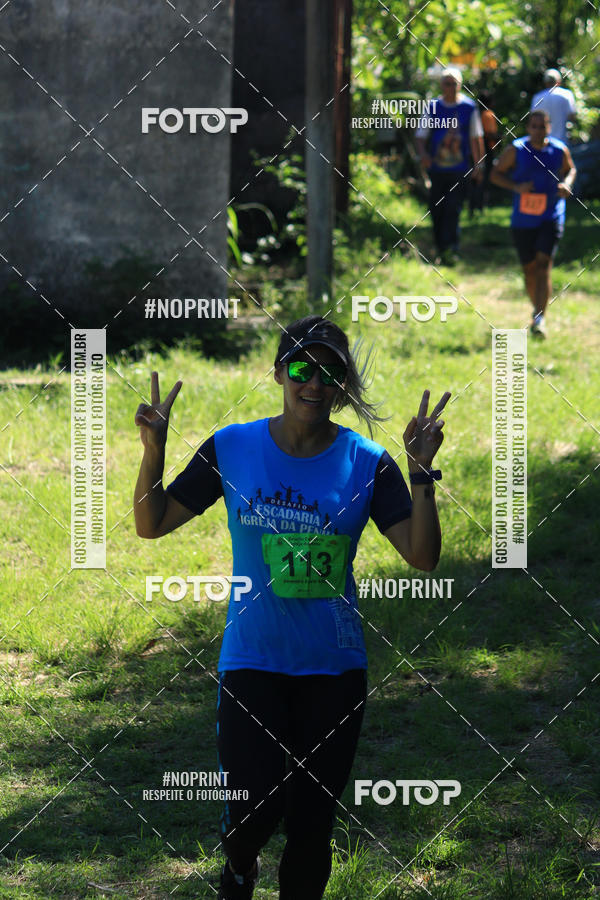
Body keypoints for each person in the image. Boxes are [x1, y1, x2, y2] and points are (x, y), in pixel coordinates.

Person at [133, 315, 450, 900]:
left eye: (332, 373)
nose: (315, 383)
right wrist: (153, 451)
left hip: (333, 668)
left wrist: (421, 472)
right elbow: (151, 524)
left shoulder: (367, 461)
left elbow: (423, 556)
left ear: (344, 386)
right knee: (254, 812)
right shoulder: (232, 448)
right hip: (252, 661)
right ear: (279, 371)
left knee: (311, 828)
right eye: (302, 367)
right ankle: (239, 864)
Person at [490, 110, 576, 338]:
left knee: (543, 264)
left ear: (549, 127)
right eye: (534, 126)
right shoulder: (516, 150)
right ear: (528, 128)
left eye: (542, 126)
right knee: (529, 270)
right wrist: (516, 187)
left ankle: (540, 319)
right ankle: (537, 309)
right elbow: (495, 174)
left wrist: (566, 184)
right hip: (523, 220)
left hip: (552, 215)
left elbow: (571, 169)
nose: (538, 130)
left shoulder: (559, 150)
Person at [415, 66, 485, 265]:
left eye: (454, 84)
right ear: (441, 85)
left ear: (460, 85)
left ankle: (452, 249)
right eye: (447, 84)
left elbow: (475, 137)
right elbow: (421, 136)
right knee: (437, 208)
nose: (451, 87)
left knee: (453, 208)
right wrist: (424, 155)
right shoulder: (433, 107)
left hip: (459, 169)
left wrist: (478, 164)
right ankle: (439, 246)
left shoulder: (469, 107)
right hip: (437, 169)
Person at [530, 68, 577, 144]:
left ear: (545, 82)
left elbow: (533, 120)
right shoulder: (567, 94)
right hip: (561, 142)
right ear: (558, 81)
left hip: (541, 142)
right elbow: (572, 117)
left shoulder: (537, 97)